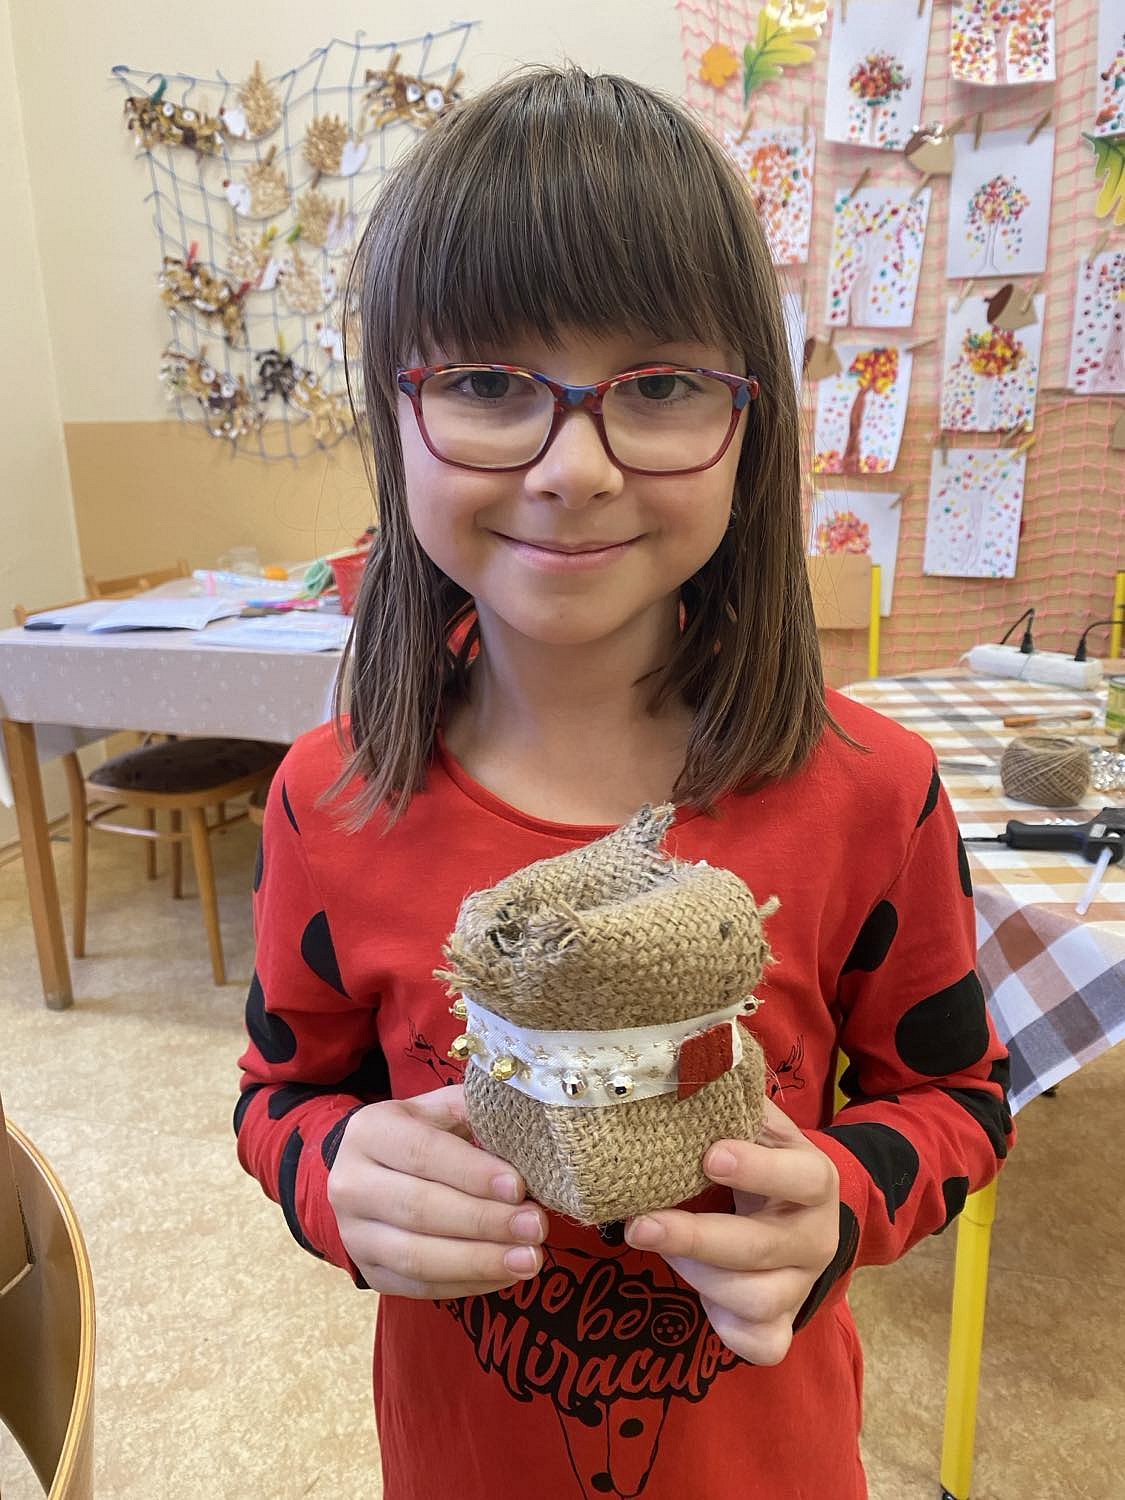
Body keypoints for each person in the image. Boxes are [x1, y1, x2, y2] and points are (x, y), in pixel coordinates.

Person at [235, 65, 1013, 1500]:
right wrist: (335, 1179)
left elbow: (959, 1095)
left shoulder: (873, 793)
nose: (574, 468)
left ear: (749, 420)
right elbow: (280, 1094)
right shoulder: (327, 800)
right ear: (393, 413)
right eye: (486, 384)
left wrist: (841, 1205)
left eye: (656, 387)